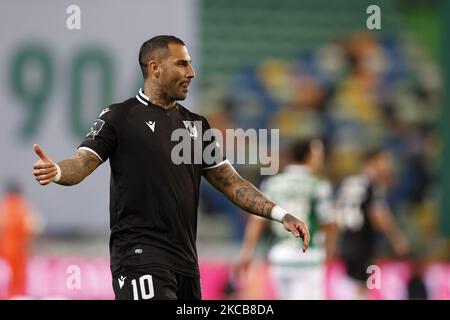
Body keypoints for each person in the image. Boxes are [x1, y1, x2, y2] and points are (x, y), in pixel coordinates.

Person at [32, 35, 310, 300]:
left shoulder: (196, 126)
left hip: (186, 264)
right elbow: (83, 162)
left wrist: (280, 213)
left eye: (189, 63)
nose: (192, 72)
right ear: (155, 68)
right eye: (182, 63)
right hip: (140, 257)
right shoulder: (121, 116)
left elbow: (232, 183)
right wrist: (57, 171)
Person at [235, 138, 337, 299]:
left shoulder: (272, 183)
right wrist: (330, 248)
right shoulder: (317, 185)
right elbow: (329, 222)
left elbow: (256, 221)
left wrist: (248, 251)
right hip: (308, 257)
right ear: (309, 155)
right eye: (318, 154)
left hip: (280, 256)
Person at [335, 148, 410, 299]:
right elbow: (377, 214)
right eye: (384, 160)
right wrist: (396, 239)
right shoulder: (374, 184)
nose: (388, 165)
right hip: (364, 243)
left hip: (346, 241)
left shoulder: (350, 182)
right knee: (365, 289)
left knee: (355, 287)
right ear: (373, 161)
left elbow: (337, 213)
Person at [0, 181, 40, 298]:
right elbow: (33, 227)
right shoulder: (23, 207)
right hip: (18, 251)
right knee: (17, 277)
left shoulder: (4, 206)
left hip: (6, 250)